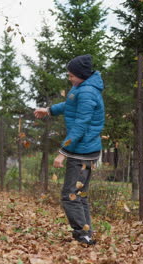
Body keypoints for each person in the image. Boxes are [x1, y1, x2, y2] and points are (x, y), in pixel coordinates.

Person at [34, 54, 104, 245]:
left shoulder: (87, 92)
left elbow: (80, 125)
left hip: (82, 151)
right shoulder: (80, 88)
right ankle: (85, 233)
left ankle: (83, 235)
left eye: (72, 75)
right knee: (78, 194)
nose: (69, 78)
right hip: (84, 149)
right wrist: (49, 110)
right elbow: (70, 104)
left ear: (81, 75)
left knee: (70, 195)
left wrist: (62, 153)